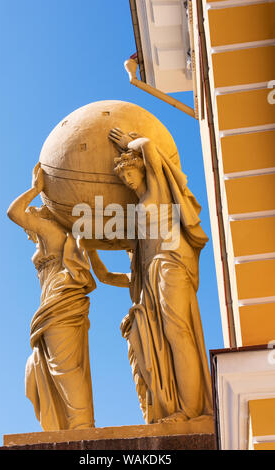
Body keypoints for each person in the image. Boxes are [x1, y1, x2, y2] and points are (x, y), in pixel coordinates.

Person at [86, 128, 213, 424]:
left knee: (177, 332)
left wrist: (130, 143)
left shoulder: (156, 191)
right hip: (155, 267)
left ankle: (191, 411)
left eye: (130, 172)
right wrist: (88, 246)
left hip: (170, 262)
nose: (127, 180)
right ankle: (182, 406)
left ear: (141, 169)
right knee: (165, 336)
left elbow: (149, 148)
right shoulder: (139, 205)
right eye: (123, 177)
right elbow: (114, 266)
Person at [7, 162, 96, 431]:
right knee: (48, 367)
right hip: (53, 303)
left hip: (60, 302)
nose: (29, 227)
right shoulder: (47, 238)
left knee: (63, 366)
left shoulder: (51, 231)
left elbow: (13, 212)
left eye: (34, 216)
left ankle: (81, 425)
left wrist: (36, 189)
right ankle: (75, 423)